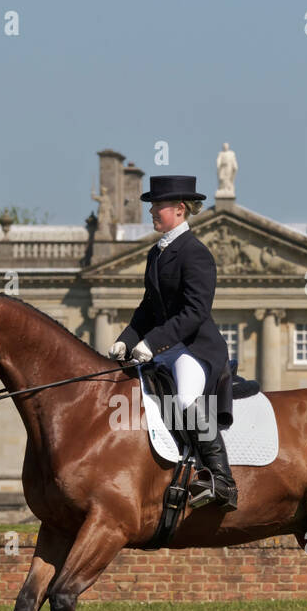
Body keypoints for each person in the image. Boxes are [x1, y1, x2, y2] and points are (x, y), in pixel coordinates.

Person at [109, 174, 237, 511]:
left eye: (158, 205)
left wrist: (152, 342)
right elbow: (148, 308)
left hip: (194, 348)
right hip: (165, 347)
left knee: (184, 400)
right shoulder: (157, 252)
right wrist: (126, 340)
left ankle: (221, 480)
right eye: (152, 205)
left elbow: (195, 312)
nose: (151, 210)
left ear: (180, 209)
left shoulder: (195, 253)